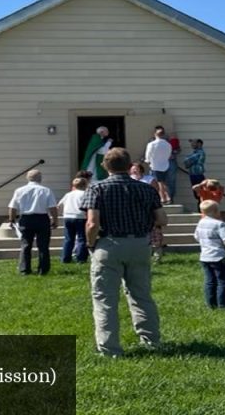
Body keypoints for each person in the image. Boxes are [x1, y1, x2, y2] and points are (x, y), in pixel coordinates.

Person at [81, 147, 168, 357]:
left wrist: (90, 245)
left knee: (105, 299)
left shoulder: (96, 188)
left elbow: (92, 223)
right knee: (141, 294)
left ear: (105, 166)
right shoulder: (147, 189)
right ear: (130, 166)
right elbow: (162, 219)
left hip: (109, 243)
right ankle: (151, 341)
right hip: (139, 244)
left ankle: (109, 348)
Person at [8, 169, 58, 275]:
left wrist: (11, 219)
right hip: (42, 219)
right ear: (40, 178)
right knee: (43, 245)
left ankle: (24, 269)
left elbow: (13, 207)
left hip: (26, 219)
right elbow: (52, 207)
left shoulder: (19, 190)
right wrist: (55, 219)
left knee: (25, 245)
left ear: (27, 178)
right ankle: (43, 270)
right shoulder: (46, 190)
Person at [193, 200, 225, 310]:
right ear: (216, 211)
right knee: (222, 281)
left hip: (205, 256)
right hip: (218, 255)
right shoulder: (220, 224)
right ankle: (223, 304)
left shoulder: (201, 223)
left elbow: (196, 237)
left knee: (209, 281)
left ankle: (211, 304)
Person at [130, 162, 166, 262]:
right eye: (132, 169)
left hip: (149, 208)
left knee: (155, 231)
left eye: (136, 169)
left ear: (141, 169)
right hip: (135, 210)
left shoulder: (149, 179)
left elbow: (155, 192)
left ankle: (157, 254)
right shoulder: (129, 180)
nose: (134, 171)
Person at [58, 177, 89, 264]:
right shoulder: (85, 194)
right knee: (82, 238)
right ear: (85, 185)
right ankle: (81, 258)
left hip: (68, 217)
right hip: (81, 217)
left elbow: (59, 205)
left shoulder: (68, 194)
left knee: (68, 239)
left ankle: (65, 258)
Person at [144, 127, 173, 205]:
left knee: (159, 182)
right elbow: (169, 155)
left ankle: (163, 198)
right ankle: (167, 197)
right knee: (163, 182)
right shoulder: (168, 144)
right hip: (165, 165)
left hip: (155, 165)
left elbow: (148, 154)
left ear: (155, 134)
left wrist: (147, 161)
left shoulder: (152, 144)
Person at [166, 131, 181, 203]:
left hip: (171, 162)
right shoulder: (157, 142)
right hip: (162, 163)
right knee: (162, 181)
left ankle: (170, 197)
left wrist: (174, 152)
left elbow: (178, 150)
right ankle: (165, 197)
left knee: (171, 180)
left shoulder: (175, 142)